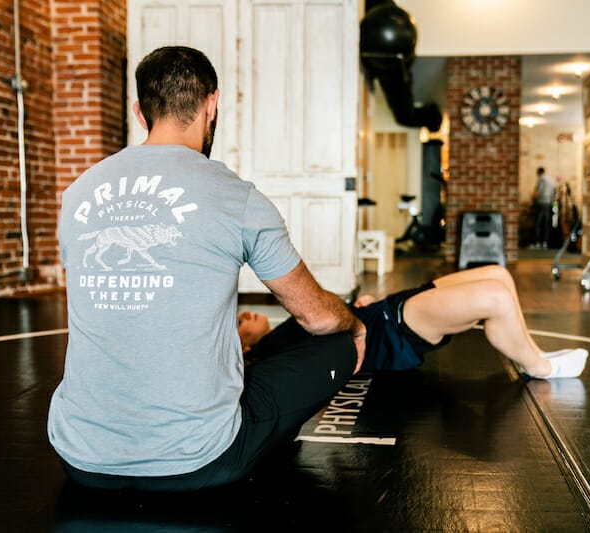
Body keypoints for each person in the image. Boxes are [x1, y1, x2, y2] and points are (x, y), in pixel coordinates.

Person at [47, 46, 366, 492]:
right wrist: (354, 324)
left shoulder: (77, 193)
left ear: (141, 112)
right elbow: (318, 316)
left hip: (80, 458)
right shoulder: (236, 196)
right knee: (336, 342)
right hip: (198, 462)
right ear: (210, 105)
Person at [239, 265, 588, 379]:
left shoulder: (281, 333)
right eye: (241, 323)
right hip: (392, 330)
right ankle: (538, 366)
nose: (246, 315)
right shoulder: (271, 349)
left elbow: (326, 320)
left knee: (499, 274)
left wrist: (357, 306)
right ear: (245, 345)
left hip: (389, 310)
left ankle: (531, 351)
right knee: (495, 297)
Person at [531, 167, 556, 249]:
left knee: (538, 223)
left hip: (541, 202)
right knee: (546, 223)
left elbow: (539, 191)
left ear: (539, 172)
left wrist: (533, 198)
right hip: (549, 202)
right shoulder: (551, 180)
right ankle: (545, 242)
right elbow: (553, 192)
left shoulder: (541, 179)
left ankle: (537, 243)